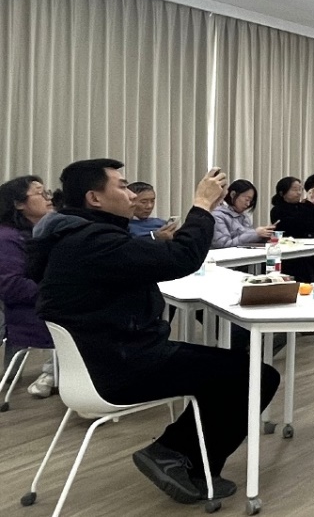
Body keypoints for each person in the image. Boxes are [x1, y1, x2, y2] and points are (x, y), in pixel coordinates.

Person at [26, 159, 279, 504]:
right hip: (122, 366)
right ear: (94, 198)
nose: (131, 195)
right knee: (256, 376)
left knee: (228, 371)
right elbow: (181, 257)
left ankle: (185, 458)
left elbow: (154, 260)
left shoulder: (72, 236)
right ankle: (176, 455)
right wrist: (201, 206)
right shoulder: (92, 241)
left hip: (103, 357)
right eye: (121, 186)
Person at [0, 175, 56, 398]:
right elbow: (11, 286)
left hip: (46, 303)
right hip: (31, 312)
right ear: (18, 203)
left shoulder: (41, 232)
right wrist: (59, 292)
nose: (48, 198)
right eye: (40, 193)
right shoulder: (6, 238)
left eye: (47, 192)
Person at [212, 179, 275, 249]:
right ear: (233, 194)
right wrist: (255, 234)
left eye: (250, 201)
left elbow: (247, 241)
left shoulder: (244, 217)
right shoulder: (217, 215)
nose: (248, 204)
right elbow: (222, 244)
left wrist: (263, 236)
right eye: (247, 199)